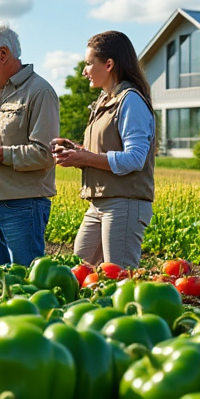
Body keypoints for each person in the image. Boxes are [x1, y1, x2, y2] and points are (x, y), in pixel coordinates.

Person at [52, 31, 156, 269]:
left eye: (89, 64)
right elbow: (102, 151)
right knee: (80, 267)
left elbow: (135, 158)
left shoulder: (130, 100)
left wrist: (85, 156)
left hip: (124, 204)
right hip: (99, 202)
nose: (84, 71)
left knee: (117, 277)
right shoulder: (105, 100)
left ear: (109, 64)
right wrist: (76, 151)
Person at [0, 22, 58, 267]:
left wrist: (0, 155)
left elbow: (45, 154)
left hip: (22, 206)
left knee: (26, 283)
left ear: (3, 54)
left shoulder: (40, 91)